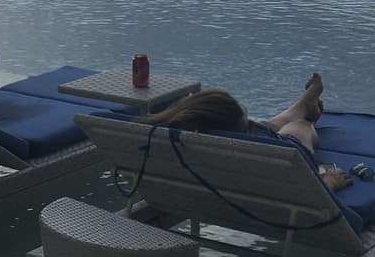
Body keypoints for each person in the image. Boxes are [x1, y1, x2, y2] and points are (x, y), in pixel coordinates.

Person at [139, 73, 352, 190]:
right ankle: (307, 114)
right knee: (298, 127)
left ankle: (306, 102)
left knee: (270, 126)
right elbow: (308, 192)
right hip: (285, 149)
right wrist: (329, 182)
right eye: (245, 118)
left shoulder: (168, 134)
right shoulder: (272, 155)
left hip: (238, 153)